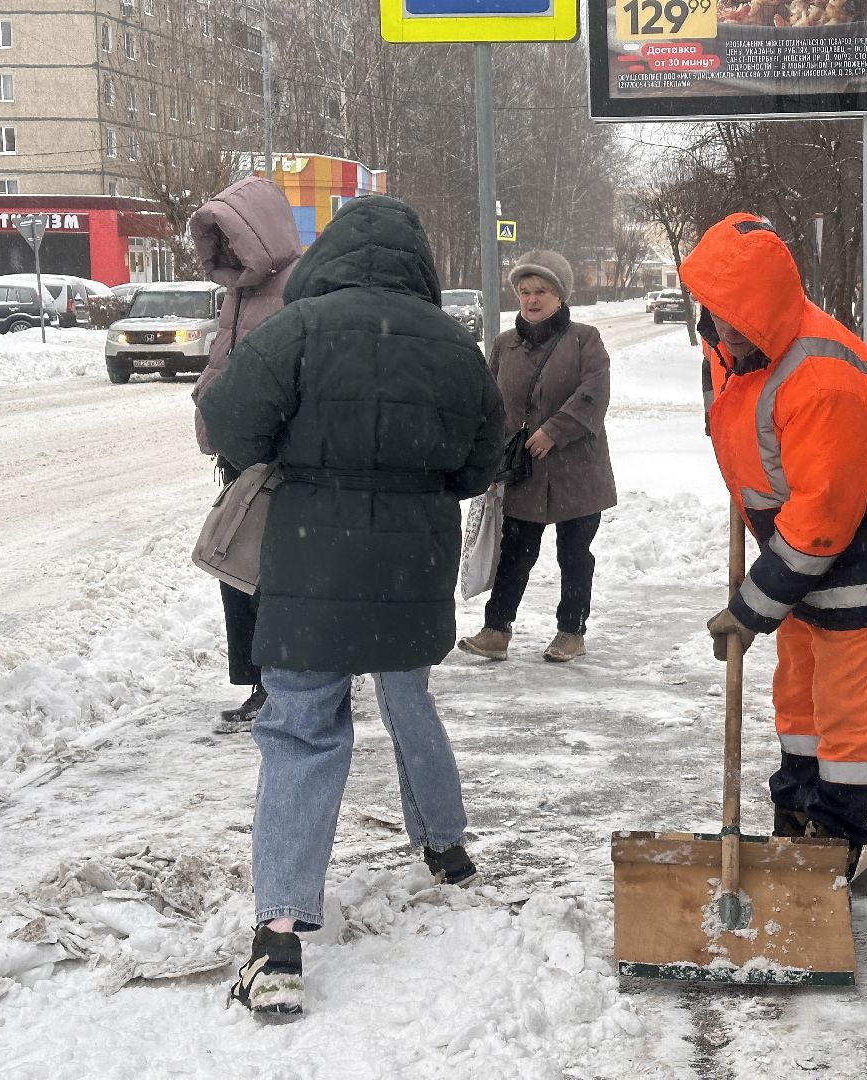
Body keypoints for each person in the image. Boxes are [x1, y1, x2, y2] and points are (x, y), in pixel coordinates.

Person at [197, 195, 504, 1020]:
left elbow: (226, 425)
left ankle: (280, 941)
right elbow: (481, 465)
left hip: (309, 566)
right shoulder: (454, 344)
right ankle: (447, 851)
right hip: (411, 568)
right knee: (411, 703)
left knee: (301, 730)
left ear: (330, 255)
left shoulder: (293, 331)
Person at [678, 213, 867, 877]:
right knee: (797, 691)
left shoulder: (823, 383)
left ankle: (833, 837)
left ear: (766, 317)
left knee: (843, 707)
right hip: (792, 552)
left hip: (856, 559)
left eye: (733, 321)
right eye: (714, 315)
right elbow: (723, 372)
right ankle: (795, 807)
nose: (720, 332)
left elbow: (822, 525)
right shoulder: (733, 337)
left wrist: (751, 610)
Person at [457, 250, 616, 664]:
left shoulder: (585, 339)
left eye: (541, 291)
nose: (531, 299)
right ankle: (496, 630)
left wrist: (554, 430)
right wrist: (488, 457)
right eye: (525, 291)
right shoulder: (503, 345)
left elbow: (594, 395)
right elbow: (487, 405)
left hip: (577, 471)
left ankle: (571, 631)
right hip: (522, 471)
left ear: (560, 295)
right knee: (515, 551)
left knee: (575, 553)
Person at [189, 176, 301, 736]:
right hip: (240, 457)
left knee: (260, 572)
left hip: (276, 461)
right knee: (235, 568)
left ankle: (277, 681)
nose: (225, 252)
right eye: (217, 242)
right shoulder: (238, 292)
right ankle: (262, 678)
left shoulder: (298, 286)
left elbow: (292, 375)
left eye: (231, 239)